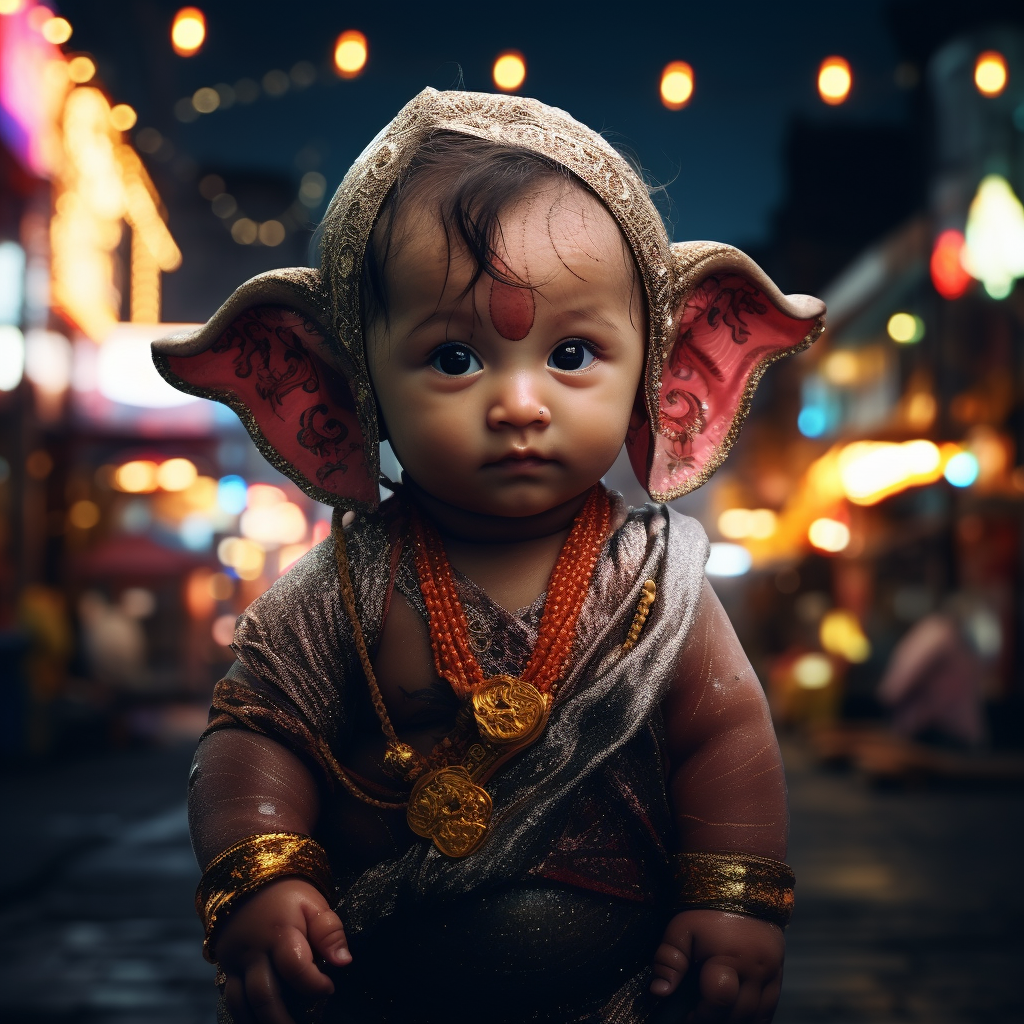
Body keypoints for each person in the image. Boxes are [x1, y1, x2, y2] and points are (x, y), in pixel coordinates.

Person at [154, 89, 825, 1024]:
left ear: (664, 378)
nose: (519, 402)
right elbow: (257, 730)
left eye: (575, 352)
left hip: (621, 993)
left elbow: (726, 733)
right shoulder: (348, 588)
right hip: (381, 987)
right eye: (456, 361)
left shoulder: (651, 581)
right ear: (346, 390)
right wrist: (261, 872)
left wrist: (732, 897)